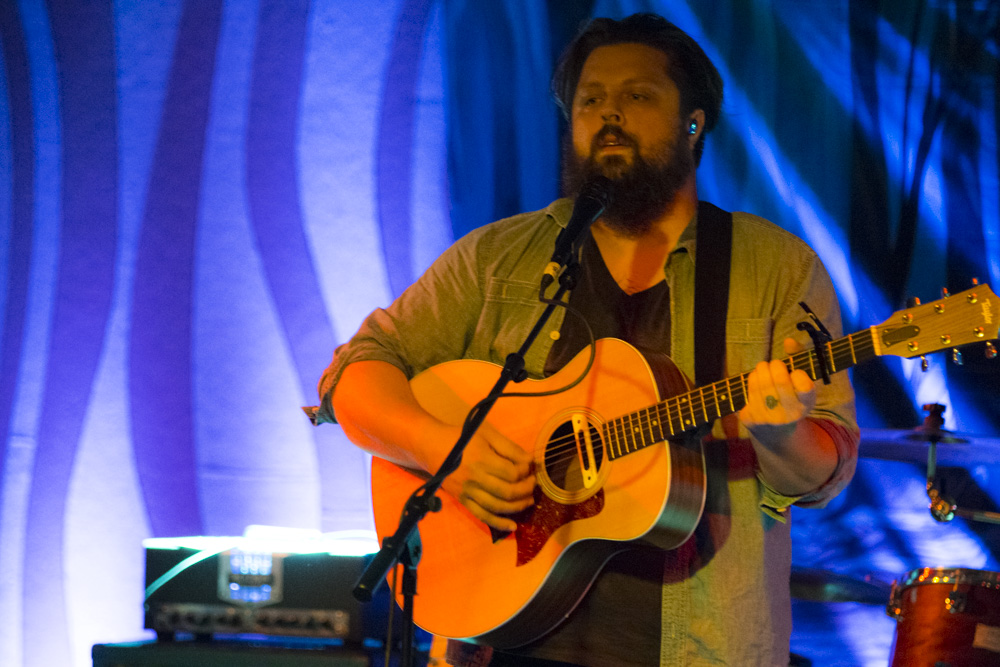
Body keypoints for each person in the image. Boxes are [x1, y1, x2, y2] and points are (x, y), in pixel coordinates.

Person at [314, 13, 858, 667]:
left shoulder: (773, 266)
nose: (608, 114)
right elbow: (353, 374)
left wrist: (780, 434)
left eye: (637, 95)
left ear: (694, 122)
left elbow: (827, 468)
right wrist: (447, 454)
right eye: (590, 99)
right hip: (496, 644)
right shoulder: (499, 257)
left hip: (700, 646)